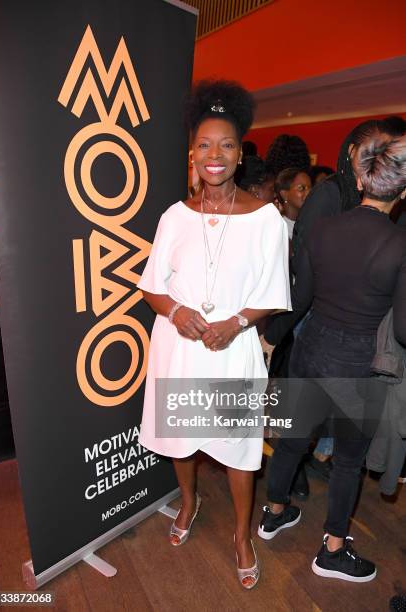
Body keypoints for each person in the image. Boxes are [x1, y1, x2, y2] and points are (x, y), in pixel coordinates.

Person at [137, 80, 291, 589]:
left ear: (240, 154)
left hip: (231, 349)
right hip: (179, 348)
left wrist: (237, 321)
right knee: (181, 441)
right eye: (204, 145)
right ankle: (188, 501)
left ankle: (243, 535)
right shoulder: (173, 216)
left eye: (226, 144)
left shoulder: (266, 220)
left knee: (237, 448)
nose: (214, 154)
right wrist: (177, 312)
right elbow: (152, 289)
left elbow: (272, 293)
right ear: (192, 154)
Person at [257, 127, 406, 582]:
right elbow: (402, 329)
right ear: (401, 190)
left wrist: (274, 336)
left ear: (359, 181)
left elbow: (301, 296)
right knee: (347, 461)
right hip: (357, 365)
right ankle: (333, 550)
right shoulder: (400, 245)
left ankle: (274, 513)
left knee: (292, 441)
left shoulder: (321, 229)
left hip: (310, 348)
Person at [275, 168, 311, 243]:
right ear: (284, 194)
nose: (308, 193)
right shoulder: (278, 226)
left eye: (310, 188)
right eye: (301, 188)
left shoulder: (310, 223)